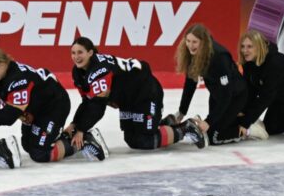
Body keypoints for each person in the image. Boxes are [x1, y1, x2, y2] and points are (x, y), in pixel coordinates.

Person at [67, 38, 205, 152]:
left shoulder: (100, 71)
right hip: (128, 100)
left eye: (80, 52)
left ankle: (186, 128)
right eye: (73, 53)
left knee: (146, 140)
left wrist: (81, 129)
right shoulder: (78, 72)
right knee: (132, 139)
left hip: (146, 93)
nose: (76, 57)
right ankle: (168, 122)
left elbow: (98, 107)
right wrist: (74, 124)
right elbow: (87, 101)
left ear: (90, 53)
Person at [0, 48, 88, 164]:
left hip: (54, 106)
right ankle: (63, 136)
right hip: (33, 109)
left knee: (40, 153)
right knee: (27, 145)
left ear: (2, 66)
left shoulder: (18, 79)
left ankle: (83, 141)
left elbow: (10, 115)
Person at [172, 24, 249, 145]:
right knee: (209, 130)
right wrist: (182, 112)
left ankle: (248, 129)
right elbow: (190, 83)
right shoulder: (191, 54)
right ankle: (236, 121)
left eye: (194, 42)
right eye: (188, 41)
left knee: (213, 137)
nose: (190, 46)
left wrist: (208, 121)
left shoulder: (219, 57)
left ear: (203, 42)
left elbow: (227, 95)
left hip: (235, 96)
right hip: (216, 94)